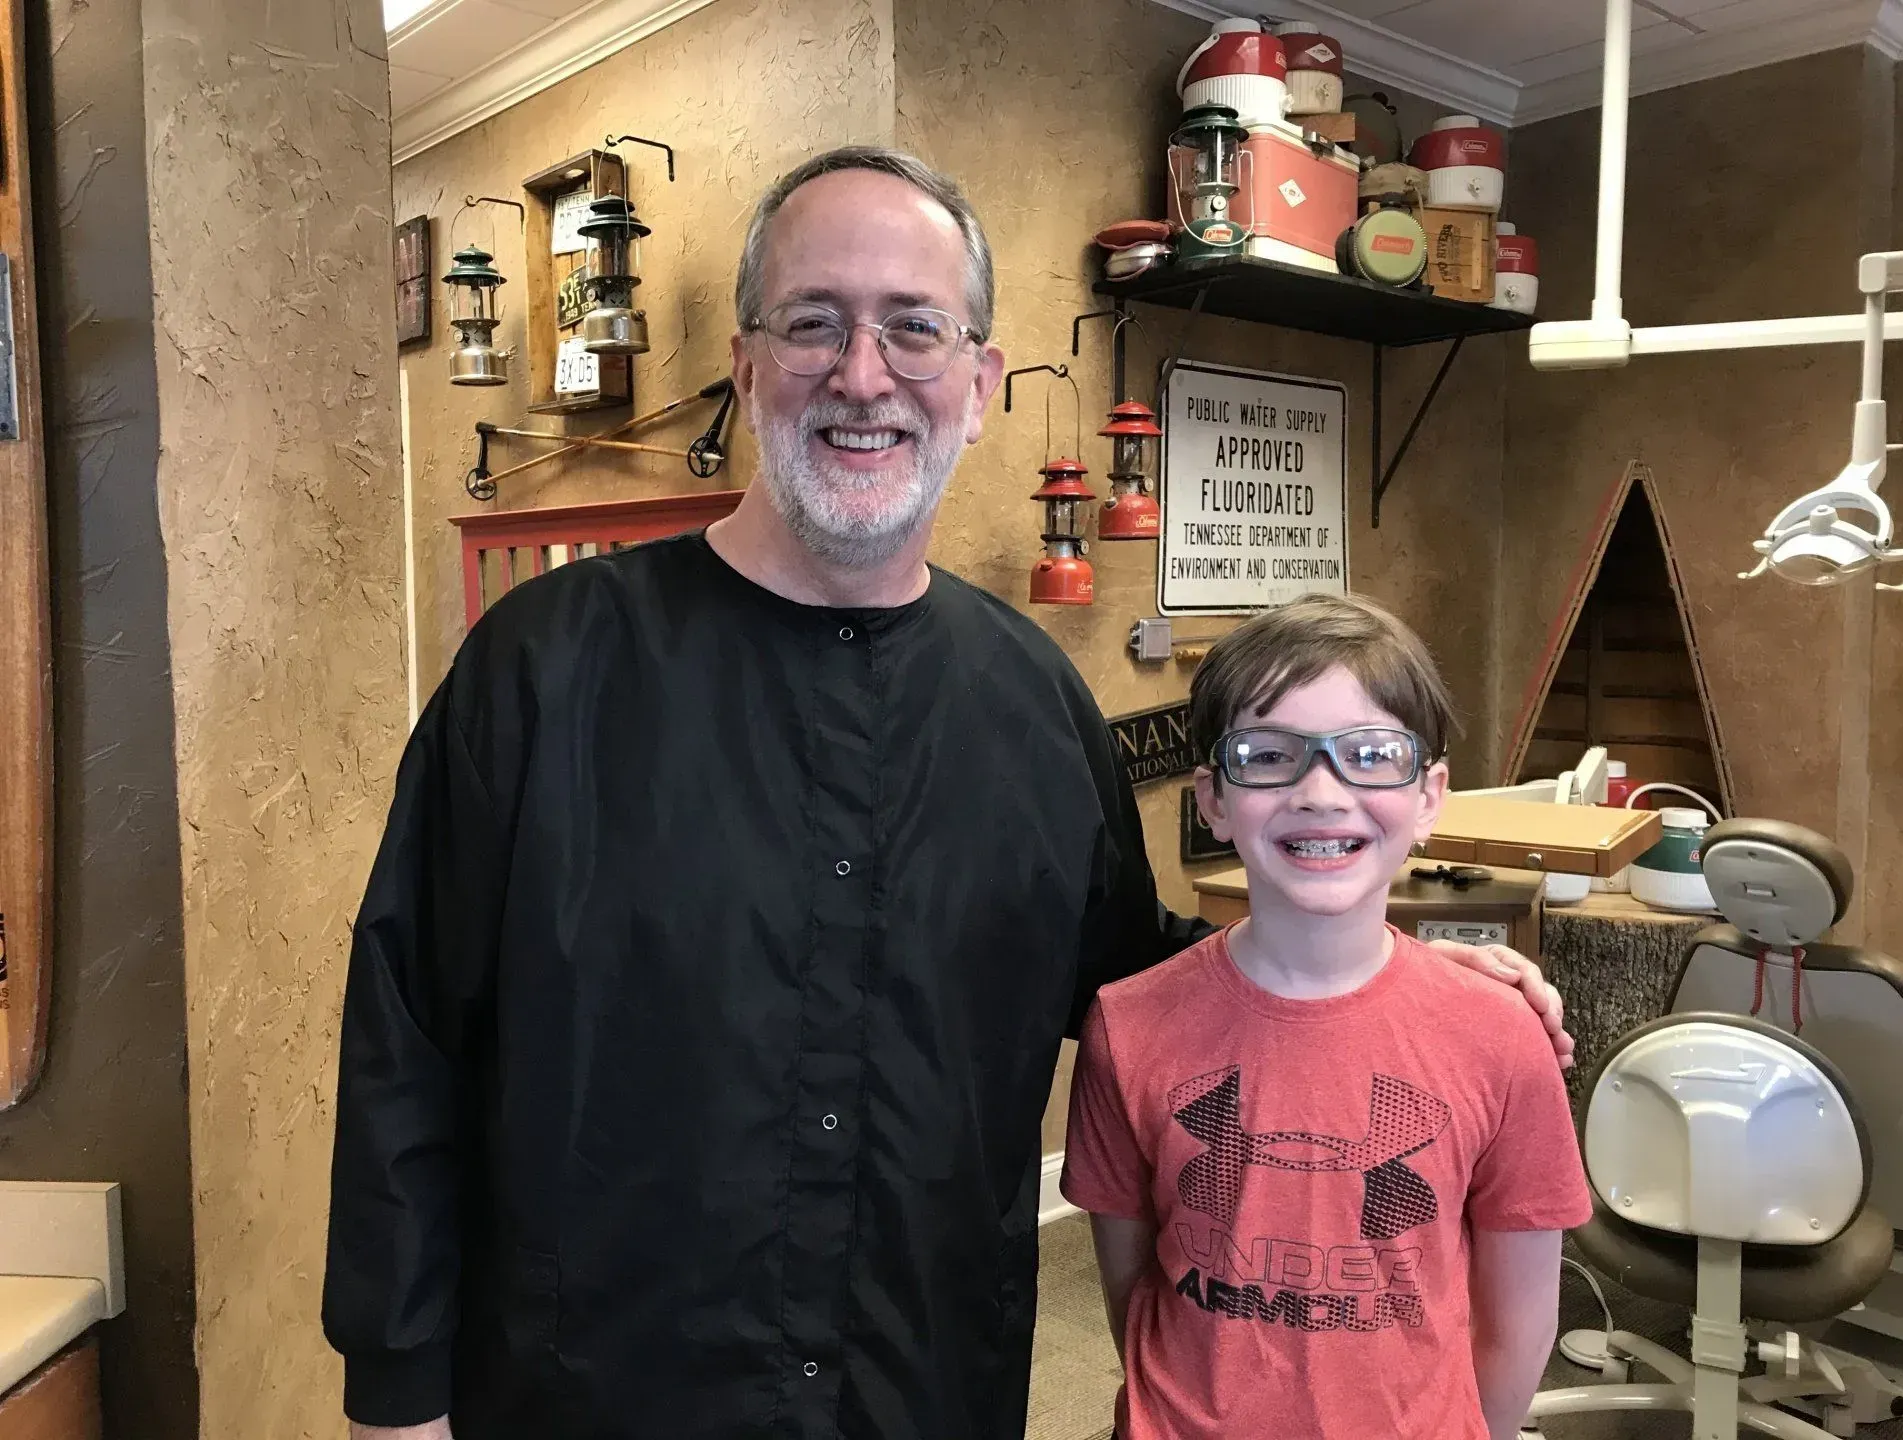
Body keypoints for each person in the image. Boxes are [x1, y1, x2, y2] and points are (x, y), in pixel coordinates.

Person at [322, 147, 1573, 1440]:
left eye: (914, 330)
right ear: (747, 367)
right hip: (594, 1394)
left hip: (920, 1391)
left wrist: (1389, 988)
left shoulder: (1032, 704)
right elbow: (408, 1038)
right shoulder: (543, 670)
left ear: (977, 389)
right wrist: (400, 1399)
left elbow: (1136, 983)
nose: (863, 376)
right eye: (815, 322)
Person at [1063, 593, 1591, 1440]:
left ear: (1429, 797)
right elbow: (1134, 1292)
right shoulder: (1128, 1028)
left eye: (1372, 754)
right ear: (1212, 800)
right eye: (1267, 755)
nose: (1320, 791)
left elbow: (1518, 1326)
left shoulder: (1498, 1037)